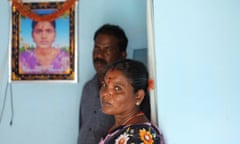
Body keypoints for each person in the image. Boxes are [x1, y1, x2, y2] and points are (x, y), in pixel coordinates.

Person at [78, 24, 129, 144]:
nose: (99, 55)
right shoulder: (88, 88)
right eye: (97, 48)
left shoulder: (128, 91)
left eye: (107, 50)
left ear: (122, 54)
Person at [99, 59, 165, 144]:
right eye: (104, 85)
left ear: (138, 96)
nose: (105, 93)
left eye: (117, 88)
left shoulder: (139, 137)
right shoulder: (123, 128)